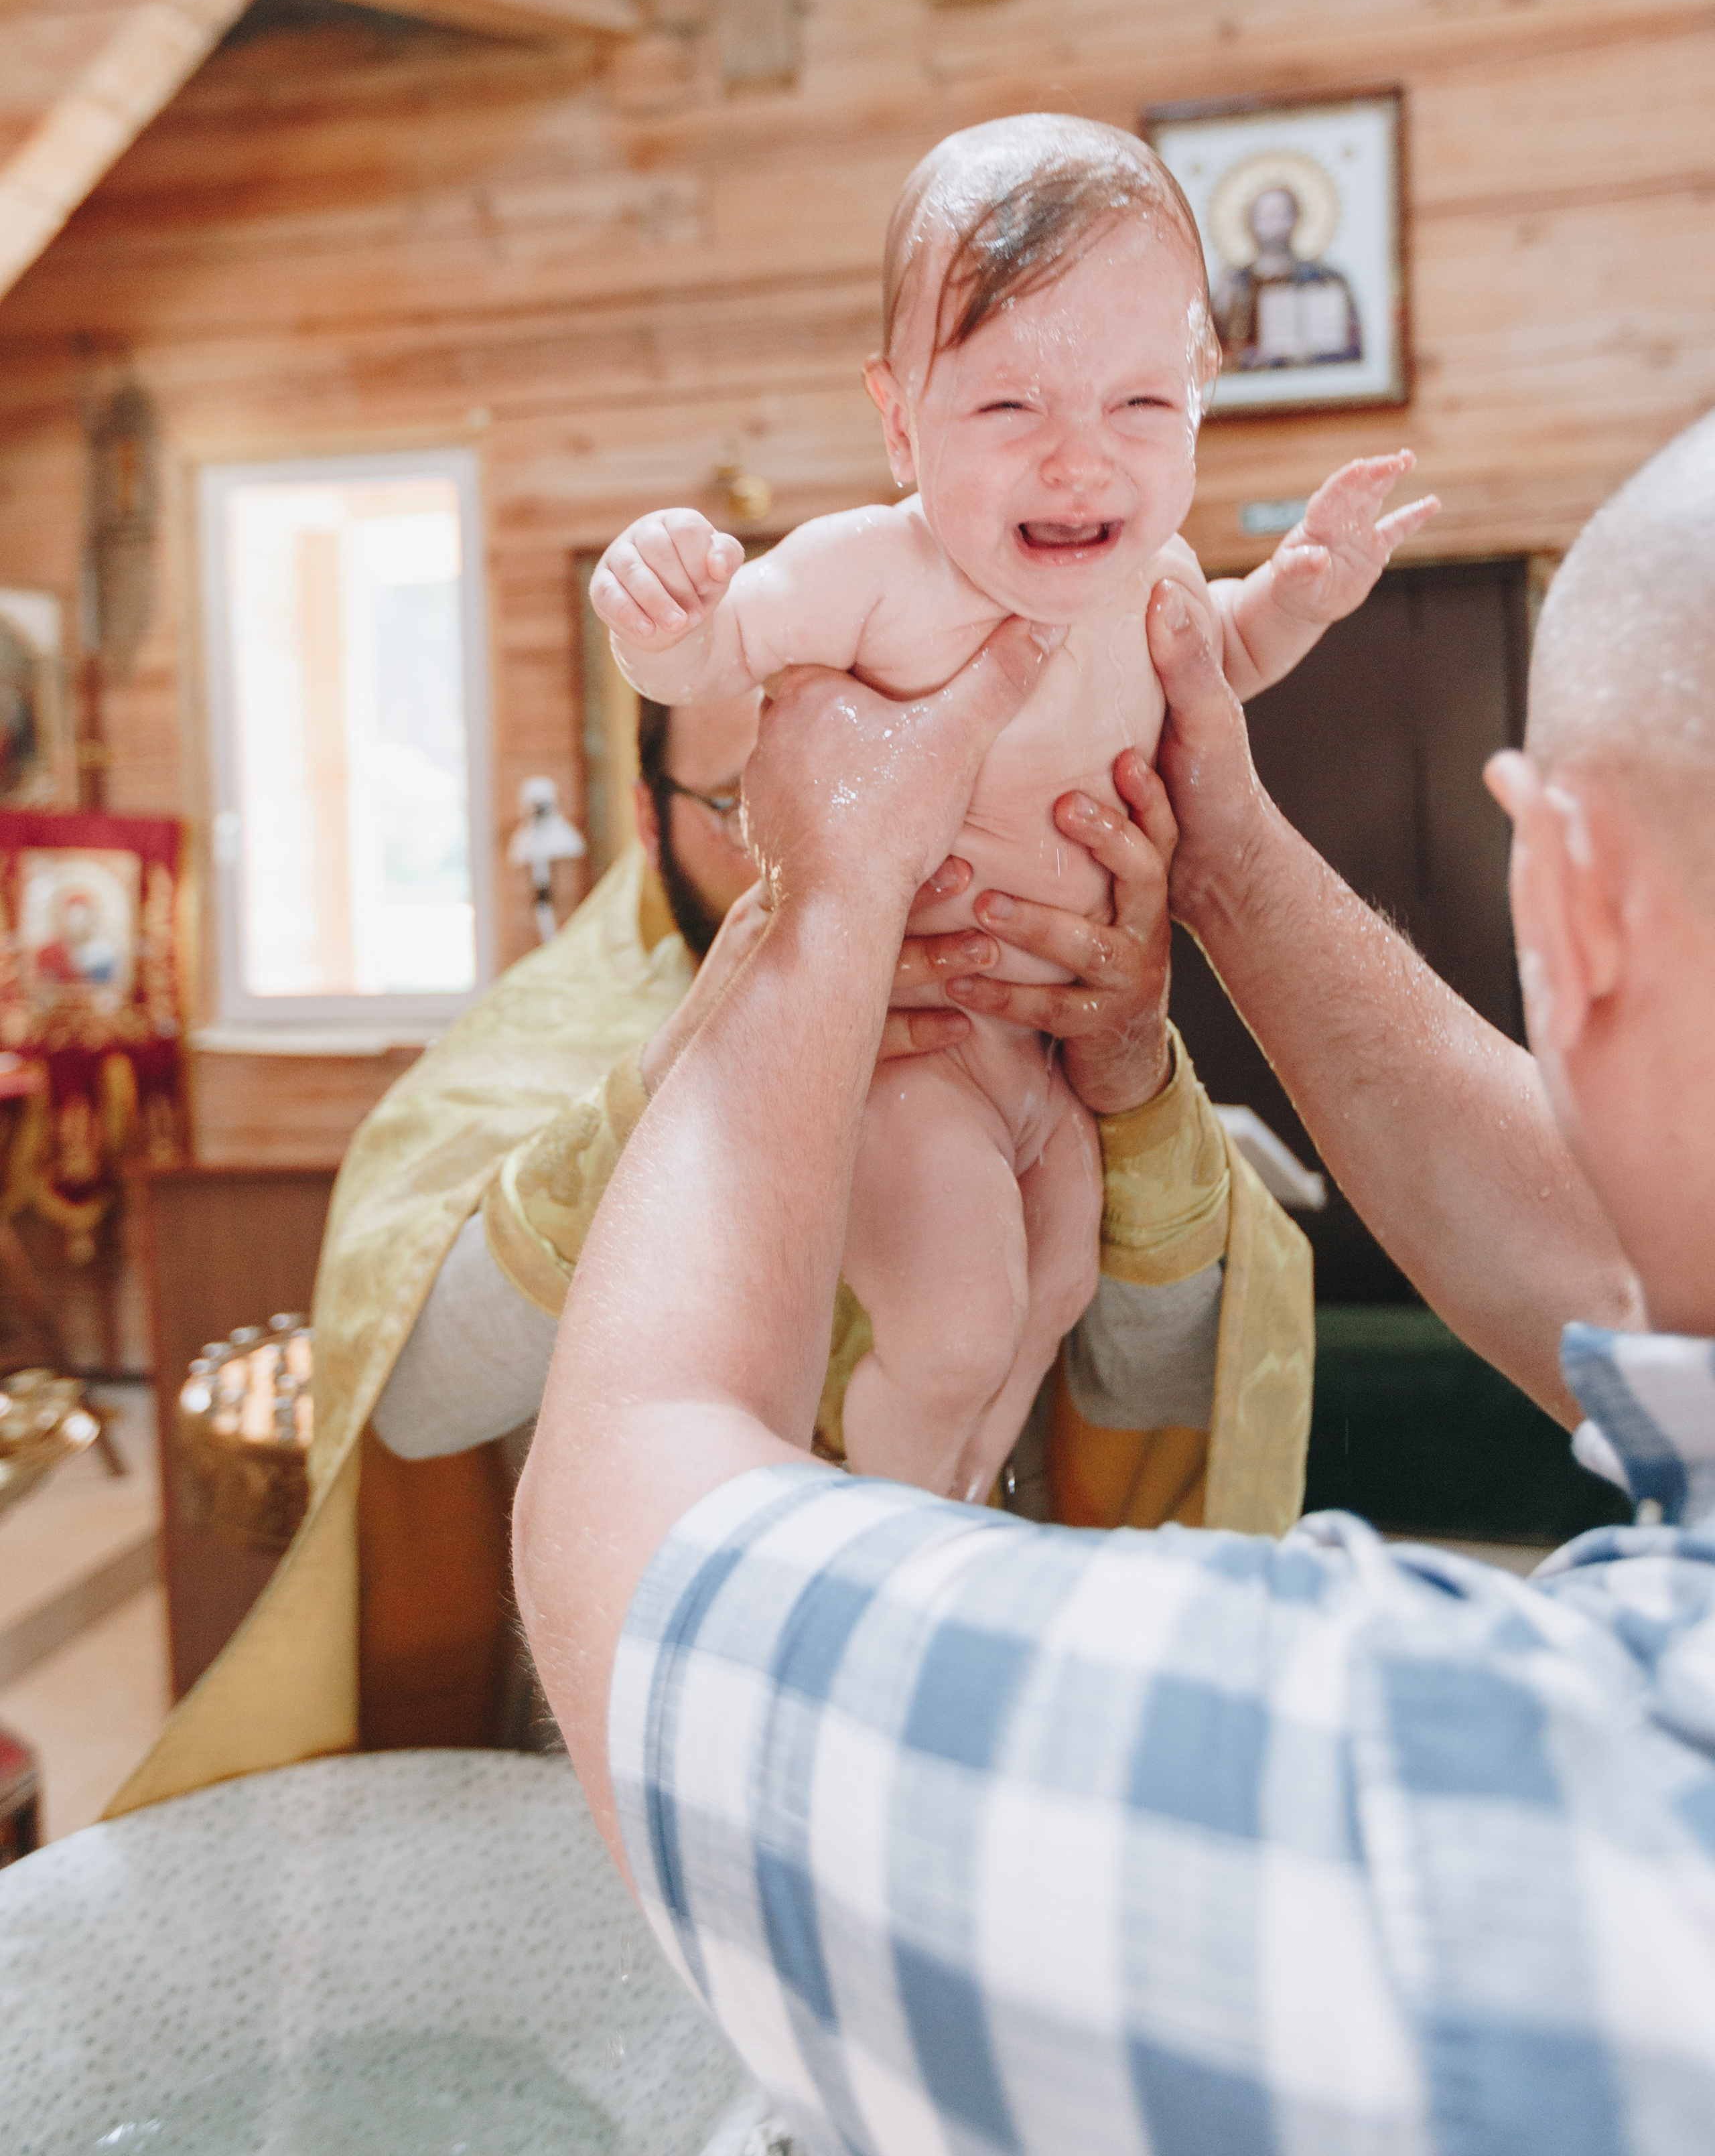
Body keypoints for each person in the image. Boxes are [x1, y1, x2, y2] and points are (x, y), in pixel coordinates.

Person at [515, 422, 1715, 2153]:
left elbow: (636, 1518)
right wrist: (1207, 852)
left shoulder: (1440, 1802)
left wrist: (839, 890)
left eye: (1142, 398)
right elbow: (1618, 1265)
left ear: (1562, 902)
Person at [109, 680, 1314, 1814]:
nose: (824, 847)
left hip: (979, 1683)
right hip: (658, 1706)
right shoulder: (557, 1034)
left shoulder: (1023, 995)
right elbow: (416, 1403)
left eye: (877, 787)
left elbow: (1162, 1392)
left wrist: (1133, 1083)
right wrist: (692, 1070)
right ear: (645, 816)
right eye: (746, 806)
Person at [594, 114, 1431, 1499]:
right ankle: (895, 1532)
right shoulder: (872, 569)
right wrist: (659, 612)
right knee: (955, 1320)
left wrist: (1299, 591)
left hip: (1050, 1059)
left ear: (1201, 397)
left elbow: (1220, 655)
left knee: (1046, 1296)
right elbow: (710, 654)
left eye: (1138, 405)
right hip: (907, 1057)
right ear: (896, 418)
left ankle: (968, 1506)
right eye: (1007, 406)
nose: (1077, 459)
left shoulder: (1151, 580)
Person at [1211, 180, 1363, 370]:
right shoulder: (1235, 283)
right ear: (1250, 223)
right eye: (1265, 216)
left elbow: (1352, 348)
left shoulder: (1325, 279)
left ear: (1297, 219)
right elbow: (1213, 351)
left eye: (1283, 214)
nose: (1275, 224)